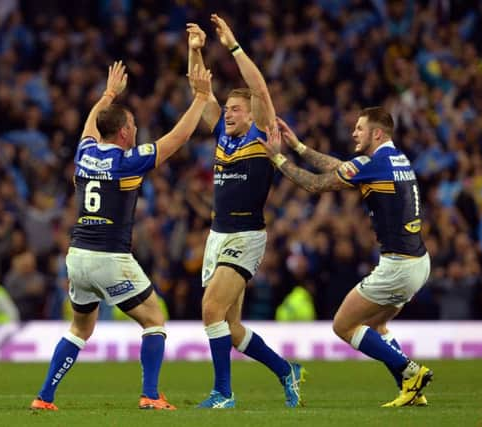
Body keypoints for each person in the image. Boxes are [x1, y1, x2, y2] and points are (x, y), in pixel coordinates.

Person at [30, 60, 213, 411]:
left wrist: (108, 94)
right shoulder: (128, 161)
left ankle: (45, 397)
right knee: (154, 320)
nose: (135, 127)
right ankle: (151, 395)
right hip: (110, 256)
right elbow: (177, 139)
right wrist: (200, 99)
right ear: (125, 132)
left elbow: (89, 126)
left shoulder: (84, 154)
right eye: (132, 123)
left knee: (80, 328)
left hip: (77, 255)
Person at [259, 107, 433, 407]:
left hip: (398, 266)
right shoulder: (393, 159)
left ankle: (410, 371)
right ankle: (412, 390)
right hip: (418, 261)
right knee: (376, 327)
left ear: (377, 134)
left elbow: (314, 184)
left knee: (343, 325)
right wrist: (299, 147)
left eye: (360, 128)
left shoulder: (376, 163)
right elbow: (340, 168)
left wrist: (277, 157)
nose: (354, 133)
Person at [186, 15, 304, 409]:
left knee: (210, 310)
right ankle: (285, 370)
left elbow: (260, 89)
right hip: (217, 235)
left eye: (237, 108)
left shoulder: (261, 134)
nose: (231, 113)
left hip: (246, 235)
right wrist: (195, 50)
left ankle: (223, 394)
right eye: (230, 109)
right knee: (231, 327)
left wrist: (232, 46)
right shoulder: (222, 133)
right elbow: (199, 90)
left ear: (252, 115)